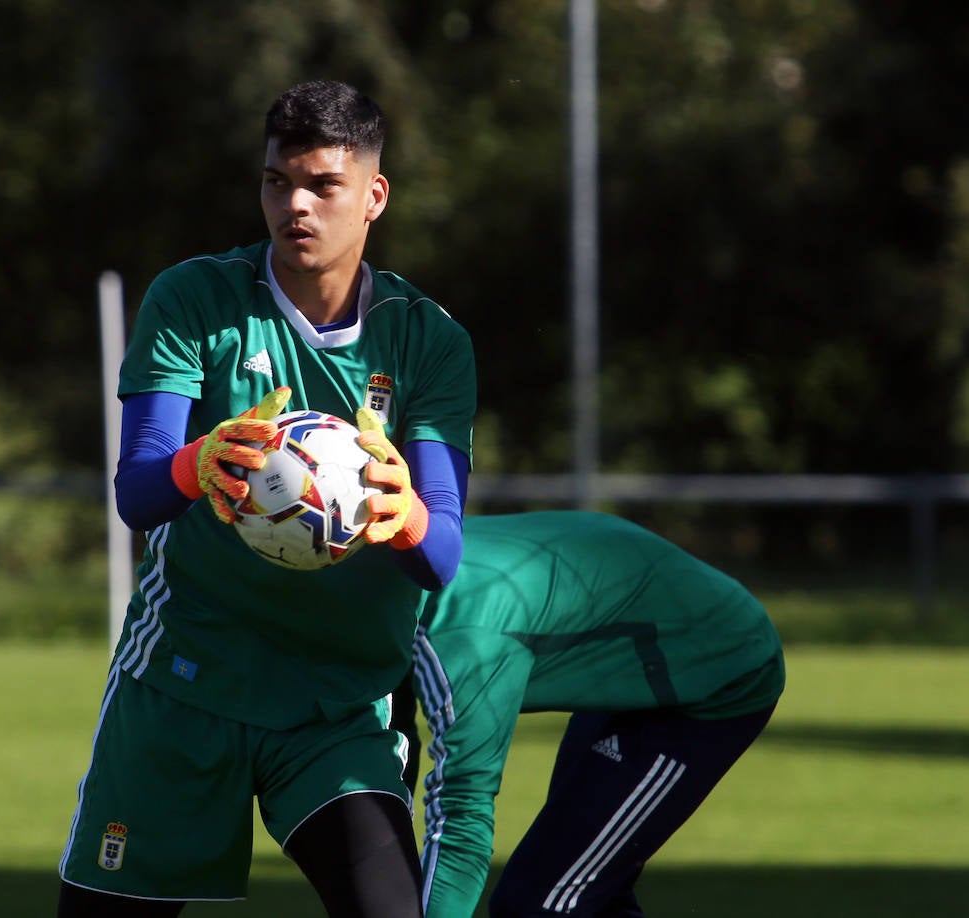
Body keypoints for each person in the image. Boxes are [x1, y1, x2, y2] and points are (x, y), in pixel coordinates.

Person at [57, 80, 477, 917]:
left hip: (338, 706)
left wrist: (407, 512)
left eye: (323, 184)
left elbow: (441, 557)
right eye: (278, 181)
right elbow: (138, 494)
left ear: (373, 195)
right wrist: (199, 462)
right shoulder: (196, 301)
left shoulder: (427, 340)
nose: (296, 205)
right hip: (185, 680)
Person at [394, 511, 786, 918]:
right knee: (587, 894)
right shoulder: (386, 574)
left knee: (538, 903)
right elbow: (389, 744)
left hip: (717, 669)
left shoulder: (461, 638)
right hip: (635, 651)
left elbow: (460, 817)